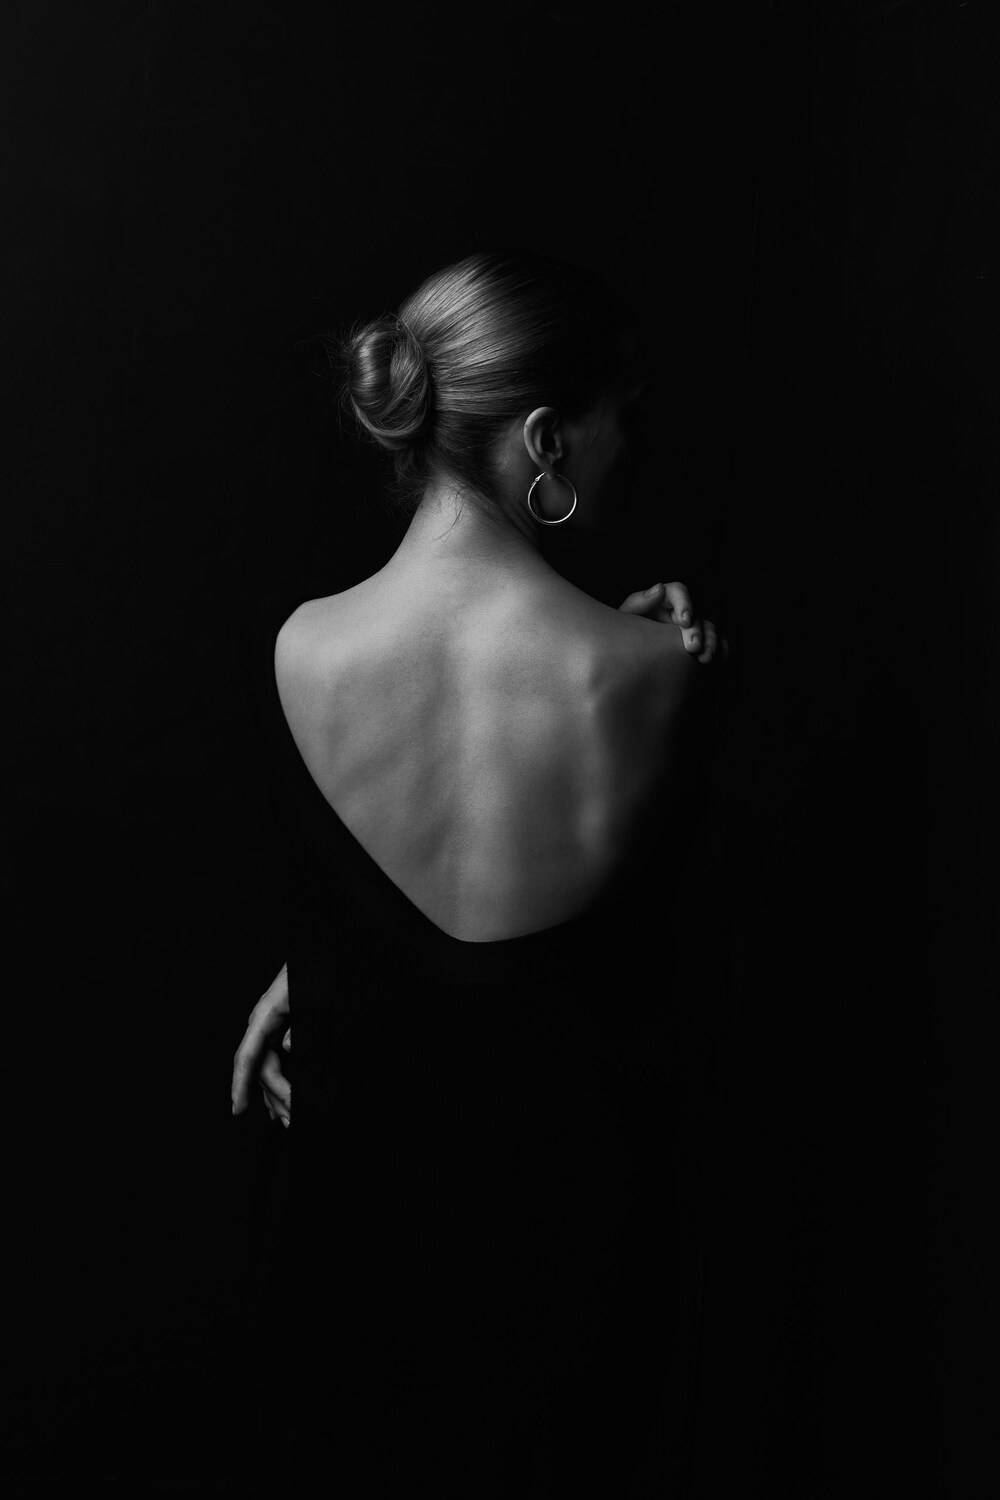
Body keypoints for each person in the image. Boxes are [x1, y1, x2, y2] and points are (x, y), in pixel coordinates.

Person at [231, 249, 730, 1496]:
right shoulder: (659, 674)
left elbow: (403, 908)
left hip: (352, 1259)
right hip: (577, 1272)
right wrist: (656, 653)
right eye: (621, 420)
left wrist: (318, 971)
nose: (631, 450)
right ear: (547, 439)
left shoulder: (301, 648)